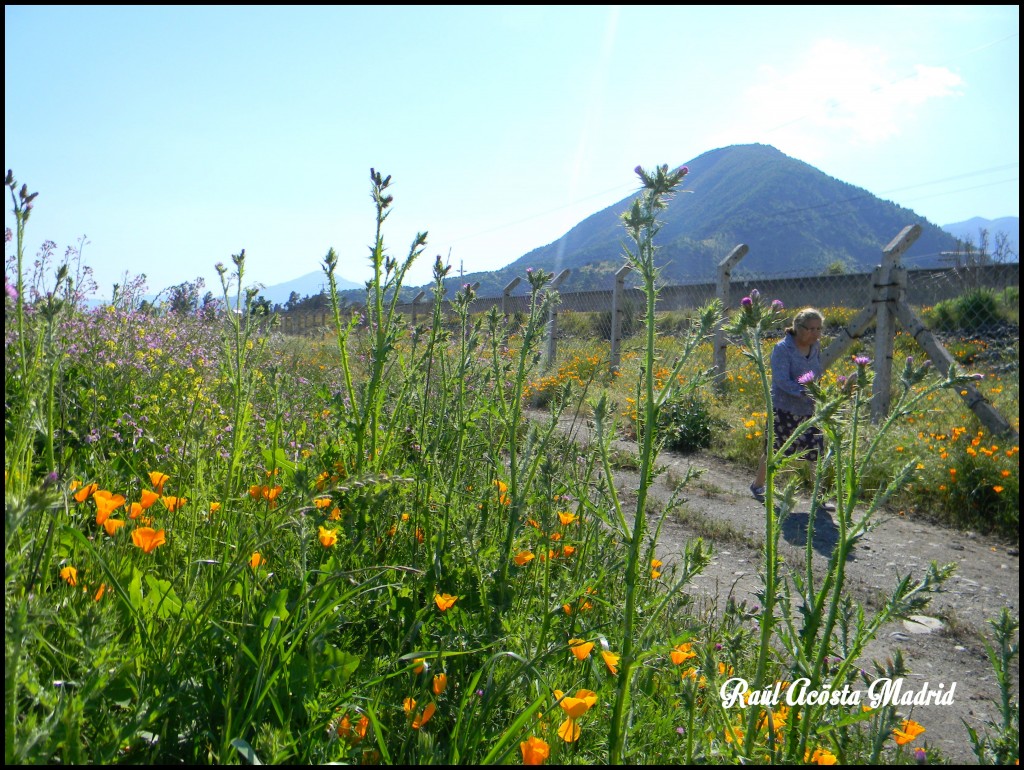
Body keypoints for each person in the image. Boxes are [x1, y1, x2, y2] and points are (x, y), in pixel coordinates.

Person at [750, 307, 833, 510]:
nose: (816, 333)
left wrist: (817, 392)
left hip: (809, 409)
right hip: (783, 408)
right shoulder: (782, 349)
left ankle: (819, 497)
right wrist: (804, 391)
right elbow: (781, 380)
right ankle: (758, 485)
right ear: (798, 328)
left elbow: (817, 371)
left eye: (819, 329)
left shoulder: (815, 346)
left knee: (817, 451)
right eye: (811, 329)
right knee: (774, 450)